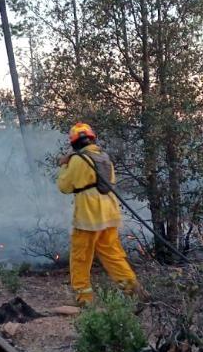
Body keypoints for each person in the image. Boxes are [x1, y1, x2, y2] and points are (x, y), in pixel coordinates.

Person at [57, 122, 144, 306]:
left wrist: (64, 166)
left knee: (80, 257)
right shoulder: (104, 157)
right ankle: (134, 292)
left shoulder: (77, 160)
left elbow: (64, 187)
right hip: (109, 213)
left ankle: (84, 299)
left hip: (88, 216)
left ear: (74, 142)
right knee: (113, 254)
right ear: (92, 139)